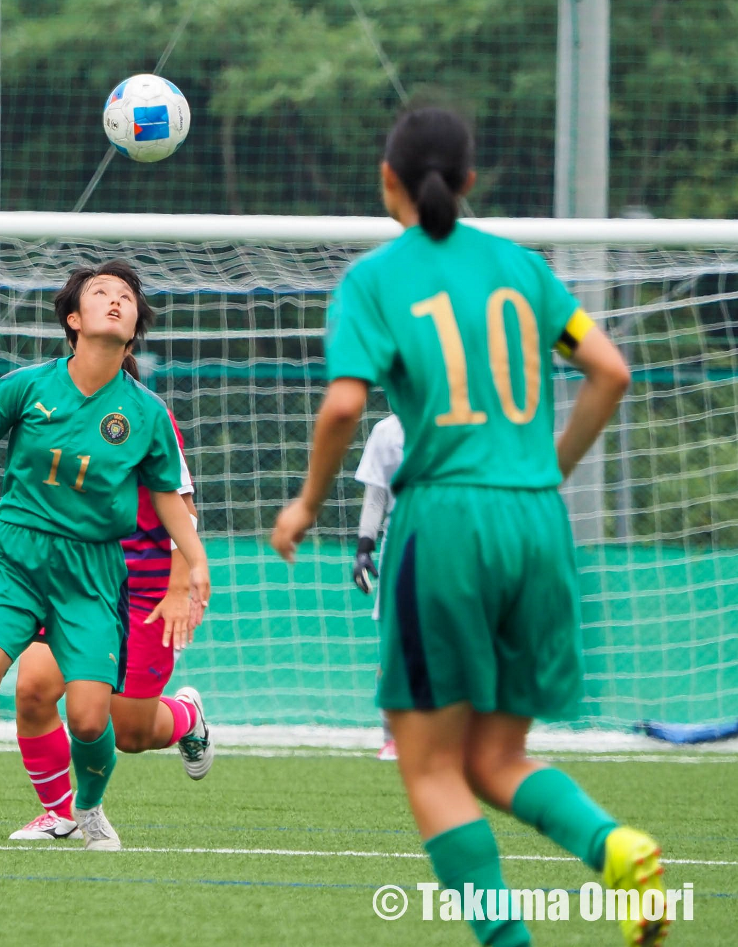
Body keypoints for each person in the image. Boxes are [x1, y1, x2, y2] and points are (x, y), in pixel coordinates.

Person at [269, 108, 665, 947]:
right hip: (536, 523)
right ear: (472, 181)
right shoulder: (523, 269)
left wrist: (305, 504)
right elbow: (610, 370)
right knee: (494, 760)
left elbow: (345, 403)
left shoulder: (375, 280)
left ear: (387, 180)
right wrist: (551, 467)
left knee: (430, 769)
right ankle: (617, 847)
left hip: (445, 522)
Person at [0, 260, 211, 853]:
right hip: (15, 559)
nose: (116, 301)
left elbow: (172, 498)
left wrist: (194, 563)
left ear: (137, 322)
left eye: (126, 297)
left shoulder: (145, 412)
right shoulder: (28, 385)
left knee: (97, 722)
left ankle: (88, 809)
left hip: (92, 573)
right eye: (101, 294)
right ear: (73, 318)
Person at [9, 367, 211, 845]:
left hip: (143, 587)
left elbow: (183, 505)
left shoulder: (146, 412)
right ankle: (61, 813)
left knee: (131, 734)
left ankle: (186, 717)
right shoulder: (48, 406)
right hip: (75, 577)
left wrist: (180, 588)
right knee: (34, 689)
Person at [353, 413, 404, 761]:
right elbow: (376, 497)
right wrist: (363, 547)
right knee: (395, 644)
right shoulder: (387, 430)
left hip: (458, 542)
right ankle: (393, 736)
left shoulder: (467, 418)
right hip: (403, 543)